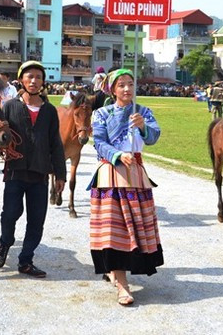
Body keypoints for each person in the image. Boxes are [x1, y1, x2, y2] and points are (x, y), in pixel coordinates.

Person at [89, 68, 163, 306]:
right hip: (110, 174)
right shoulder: (101, 113)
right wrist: (118, 155)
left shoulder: (143, 111)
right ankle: (122, 284)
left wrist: (143, 126)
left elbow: (153, 138)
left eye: (130, 84)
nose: (127, 89)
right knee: (114, 228)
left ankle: (118, 272)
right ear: (112, 89)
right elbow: (99, 142)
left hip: (136, 176)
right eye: (121, 85)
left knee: (135, 227)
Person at [0, 60, 65, 278]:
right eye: (30, 76)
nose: (34, 81)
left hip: (40, 173)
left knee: (36, 220)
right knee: (10, 213)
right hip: (15, 171)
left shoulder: (50, 111)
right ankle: (5, 244)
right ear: (21, 79)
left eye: (38, 77)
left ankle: (25, 260)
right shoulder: (10, 106)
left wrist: (60, 174)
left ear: (43, 82)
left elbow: (56, 143)